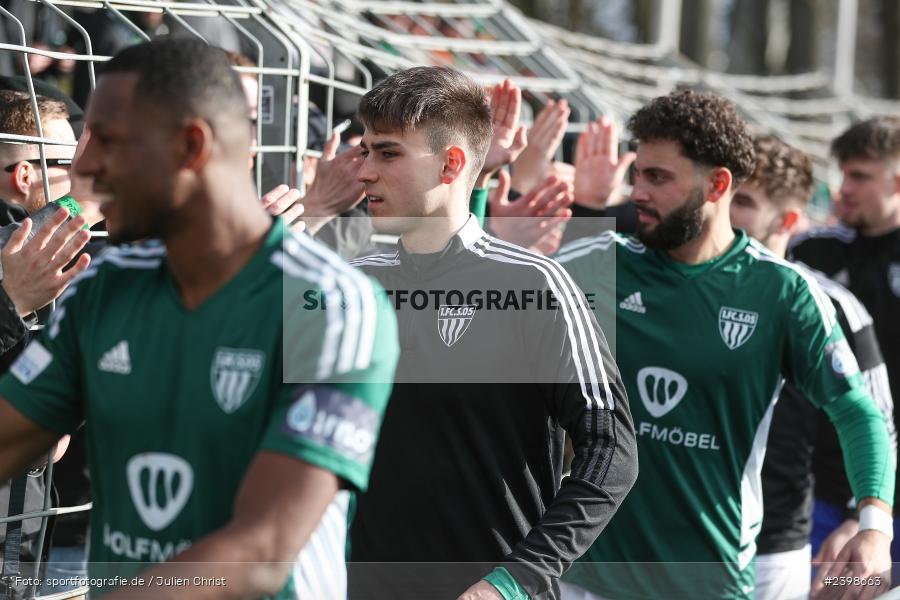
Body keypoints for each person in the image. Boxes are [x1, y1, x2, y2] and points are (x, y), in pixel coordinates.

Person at [0, 37, 399, 600]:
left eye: (108, 142)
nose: (85, 169)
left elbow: (262, 551)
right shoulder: (104, 291)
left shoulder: (327, 303)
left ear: (190, 146)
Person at [556, 90, 894, 600]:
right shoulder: (595, 262)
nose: (637, 193)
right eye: (637, 176)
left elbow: (858, 412)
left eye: (658, 177)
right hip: (586, 580)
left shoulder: (785, 293)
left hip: (716, 579)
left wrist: (872, 525)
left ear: (717, 185)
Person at [346, 66, 638, 600]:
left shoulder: (535, 284)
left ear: (451, 163)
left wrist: (512, 583)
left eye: (387, 153)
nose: (364, 170)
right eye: (365, 151)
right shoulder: (354, 281)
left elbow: (611, 450)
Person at [730, 134, 896, 599]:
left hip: (826, 516)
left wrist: (861, 517)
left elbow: (875, 418)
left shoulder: (831, 303)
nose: (845, 188)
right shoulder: (823, 251)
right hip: (673, 540)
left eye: (741, 200)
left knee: (848, 589)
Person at [789, 116, 900, 550]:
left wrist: (865, 511)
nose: (844, 188)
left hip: (885, 490)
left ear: (896, 181)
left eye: (860, 176)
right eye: (843, 174)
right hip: (813, 482)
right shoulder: (812, 252)